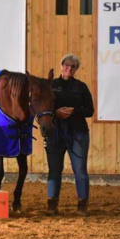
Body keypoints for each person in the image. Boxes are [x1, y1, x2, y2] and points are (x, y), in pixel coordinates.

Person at [46, 53, 94, 216]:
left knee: (80, 170)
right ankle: (52, 205)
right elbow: (42, 108)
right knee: (54, 169)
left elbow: (90, 110)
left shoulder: (81, 87)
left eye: (73, 66)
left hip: (78, 132)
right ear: (61, 66)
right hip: (56, 132)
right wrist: (56, 112)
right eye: (66, 65)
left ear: (76, 69)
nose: (69, 68)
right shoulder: (51, 85)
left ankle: (82, 205)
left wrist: (74, 111)